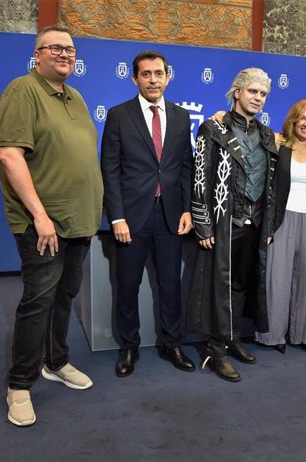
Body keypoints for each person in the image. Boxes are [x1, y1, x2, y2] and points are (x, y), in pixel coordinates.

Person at [0, 24, 104, 426]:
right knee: (38, 301)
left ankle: (56, 361)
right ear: (37, 54)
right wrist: (40, 216)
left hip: (78, 221)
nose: (64, 54)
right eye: (54, 48)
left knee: (64, 297)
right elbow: (10, 156)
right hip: (43, 223)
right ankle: (19, 384)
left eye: (70, 49)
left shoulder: (75, 97)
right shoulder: (22, 91)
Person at [101, 50, 195, 378]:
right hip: (131, 217)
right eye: (146, 74)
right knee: (127, 285)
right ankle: (129, 346)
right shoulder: (118, 115)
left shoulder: (182, 117)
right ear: (135, 78)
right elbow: (109, 169)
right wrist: (116, 217)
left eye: (159, 73)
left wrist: (187, 209)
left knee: (171, 285)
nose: (153, 79)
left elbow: (185, 166)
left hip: (170, 216)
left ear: (168, 77)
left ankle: (171, 343)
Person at [188, 68, 278, 382]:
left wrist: (268, 228)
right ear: (237, 92)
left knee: (241, 283)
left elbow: (271, 184)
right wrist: (204, 226)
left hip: (255, 224)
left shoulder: (267, 135)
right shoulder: (213, 129)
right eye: (252, 91)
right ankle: (216, 349)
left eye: (263, 94)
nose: (258, 98)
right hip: (225, 222)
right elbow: (200, 177)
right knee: (219, 285)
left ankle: (233, 338)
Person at [254, 99, 306, 355]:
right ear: (293, 120)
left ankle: (303, 334)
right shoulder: (277, 144)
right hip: (280, 220)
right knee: (278, 278)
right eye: (302, 118)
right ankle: (273, 335)